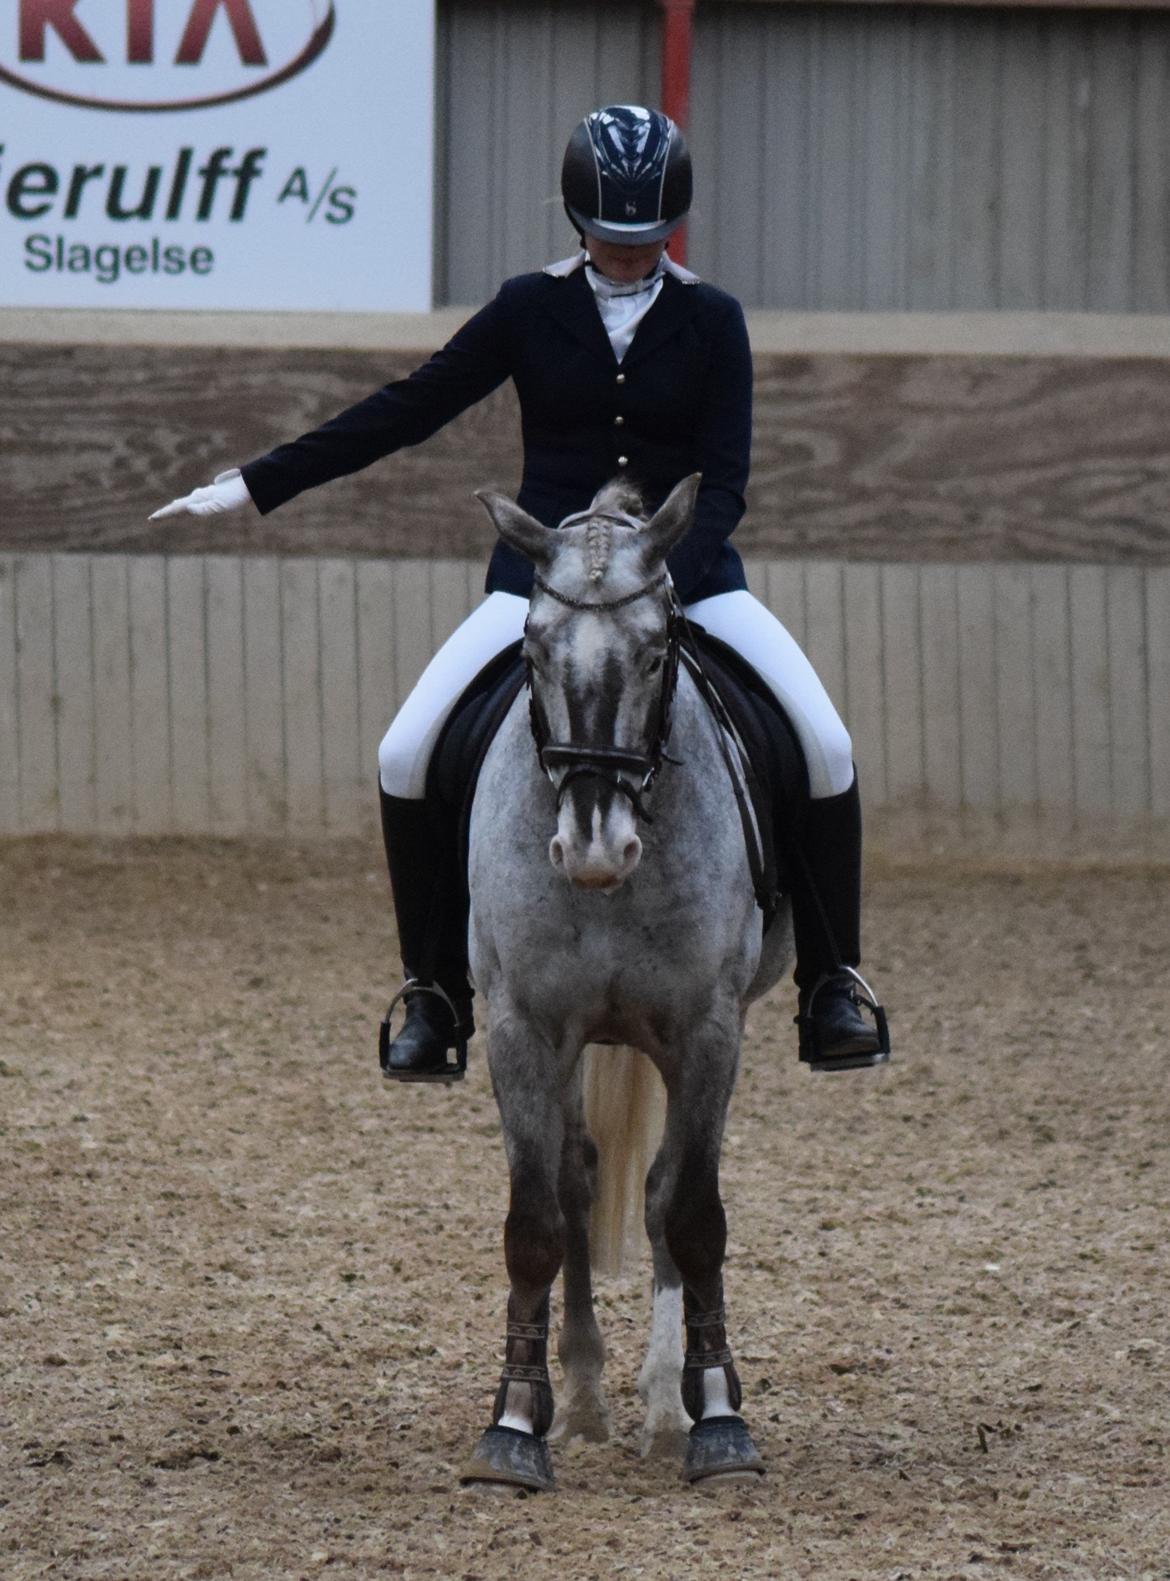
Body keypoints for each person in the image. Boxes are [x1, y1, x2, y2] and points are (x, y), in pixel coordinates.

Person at [152, 104, 887, 1079]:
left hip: (685, 581)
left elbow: (729, 476)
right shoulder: (527, 308)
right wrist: (261, 480)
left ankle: (833, 983)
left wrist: (660, 577)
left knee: (825, 743)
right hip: (539, 580)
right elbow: (413, 405)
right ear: (578, 224)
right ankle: (432, 993)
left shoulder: (713, 320)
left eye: (646, 243)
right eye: (610, 243)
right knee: (407, 747)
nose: (628, 260)